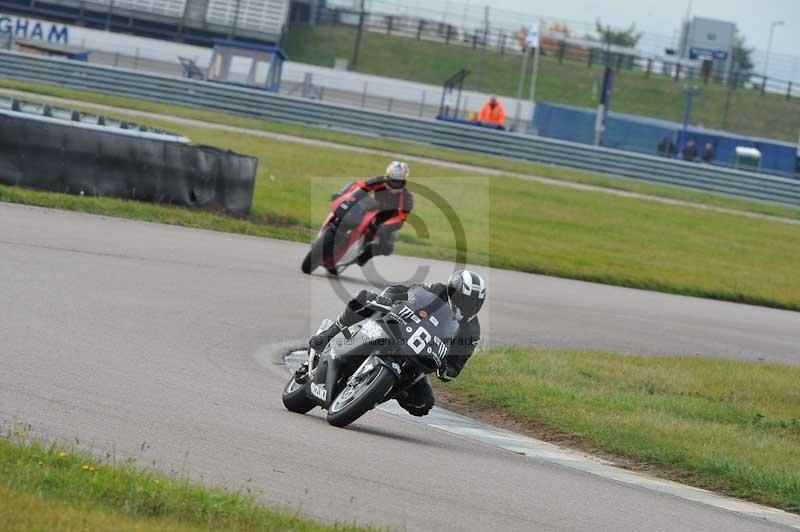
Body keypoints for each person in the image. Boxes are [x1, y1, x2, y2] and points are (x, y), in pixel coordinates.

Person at [308, 270, 486, 417]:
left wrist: (448, 369)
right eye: (465, 299)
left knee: (423, 404)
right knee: (362, 299)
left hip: (418, 357)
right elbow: (401, 290)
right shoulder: (435, 290)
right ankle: (330, 333)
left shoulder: (471, 330)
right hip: (396, 328)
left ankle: (381, 388)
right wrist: (389, 298)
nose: (469, 305)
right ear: (452, 291)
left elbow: (457, 363)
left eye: (475, 302)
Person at [328, 161, 413, 267]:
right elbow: (359, 186)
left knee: (387, 248)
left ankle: (365, 255)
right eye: (392, 181)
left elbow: (401, 218)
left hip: (388, 218)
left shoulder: (407, 197)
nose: (395, 185)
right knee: (349, 208)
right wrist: (342, 195)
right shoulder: (378, 181)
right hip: (373, 206)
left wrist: (384, 227)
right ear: (387, 177)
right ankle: (335, 227)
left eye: (398, 182)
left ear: (404, 181)